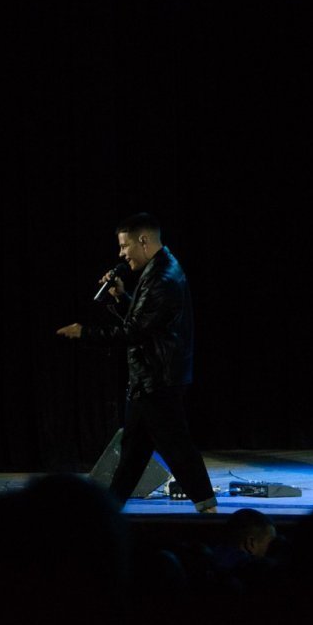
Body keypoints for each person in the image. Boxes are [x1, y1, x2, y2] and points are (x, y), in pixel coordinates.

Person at [56, 213, 217, 513]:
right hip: (150, 378)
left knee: (177, 448)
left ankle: (208, 509)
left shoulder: (163, 278)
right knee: (133, 452)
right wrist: (120, 297)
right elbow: (146, 321)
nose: (121, 254)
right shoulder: (160, 270)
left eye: (124, 246)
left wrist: (84, 332)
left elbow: (134, 331)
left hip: (158, 379)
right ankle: (111, 509)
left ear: (143, 240)